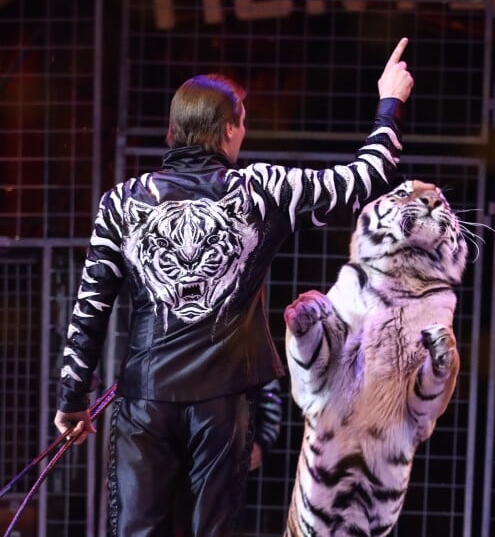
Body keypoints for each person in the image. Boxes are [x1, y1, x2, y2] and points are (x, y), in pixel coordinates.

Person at [53, 37, 414, 536]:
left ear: (173, 131)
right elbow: (362, 181)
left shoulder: (122, 202)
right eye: (243, 122)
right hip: (221, 406)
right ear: (228, 130)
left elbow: (89, 308)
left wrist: (72, 398)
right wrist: (389, 103)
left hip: (146, 402)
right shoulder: (262, 191)